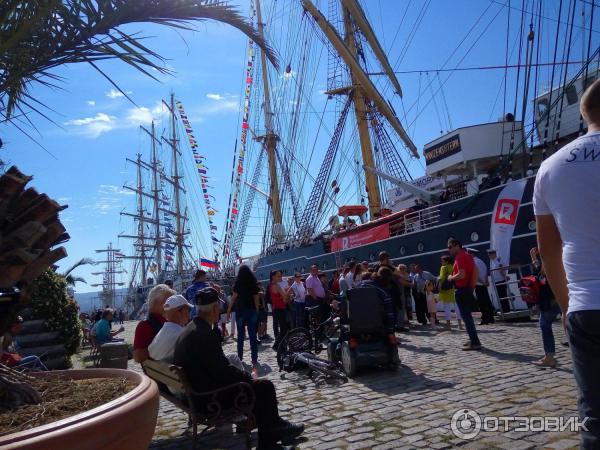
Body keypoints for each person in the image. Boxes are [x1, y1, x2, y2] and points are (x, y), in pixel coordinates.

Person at [533, 79, 600, 448]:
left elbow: (548, 250)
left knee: (594, 417)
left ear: (583, 112)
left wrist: (564, 303)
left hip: (585, 306)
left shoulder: (550, 167)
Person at [174, 287, 304, 449]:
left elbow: (217, 368)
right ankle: (269, 443)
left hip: (195, 393)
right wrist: (249, 379)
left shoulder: (191, 328)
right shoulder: (204, 334)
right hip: (208, 399)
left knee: (258, 387)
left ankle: (278, 426)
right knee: (264, 387)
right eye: (219, 307)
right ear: (214, 309)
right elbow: (224, 372)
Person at [447, 238, 481, 350]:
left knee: (466, 317)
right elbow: (476, 272)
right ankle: (473, 339)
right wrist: (471, 287)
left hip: (461, 290)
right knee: (468, 317)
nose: (449, 250)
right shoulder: (468, 256)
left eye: (450, 247)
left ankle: (475, 342)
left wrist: (451, 277)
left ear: (457, 246)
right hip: (467, 289)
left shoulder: (460, 257)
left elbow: (461, 275)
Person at [227, 265, 261, 375]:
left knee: (240, 336)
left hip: (240, 311)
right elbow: (256, 298)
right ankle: (254, 359)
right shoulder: (253, 282)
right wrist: (257, 310)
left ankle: (240, 358)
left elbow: (233, 298)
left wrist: (228, 311)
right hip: (251, 311)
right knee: (252, 336)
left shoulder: (238, 283)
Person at [133, 283, 175, 363]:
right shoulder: (145, 326)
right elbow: (137, 357)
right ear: (155, 302)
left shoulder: (165, 321)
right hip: (164, 370)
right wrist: (158, 346)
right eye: (168, 301)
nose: (171, 305)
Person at [148, 295, 192, 362]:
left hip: (159, 370)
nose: (189, 313)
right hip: (173, 371)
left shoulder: (163, 331)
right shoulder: (183, 334)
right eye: (188, 309)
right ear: (179, 311)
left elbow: (151, 353)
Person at [468, 248, 495, 325]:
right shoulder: (481, 261)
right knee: (487, 301)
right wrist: (486, 282)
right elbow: (486, 272)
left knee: (482, 303)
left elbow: (476, 275)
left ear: (471, 254)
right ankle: (491, 318)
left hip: (479, 285)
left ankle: (485, 319)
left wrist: (483, 282)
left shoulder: (473, 262)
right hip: (484, 284)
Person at [438, 255, 463, 329]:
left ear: (446, 261)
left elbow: (442, 278)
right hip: (453, 288)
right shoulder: (452, 266)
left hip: (445, 290)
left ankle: (448, 326)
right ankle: (460, 325)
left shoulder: (443, 267)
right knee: (457, 307)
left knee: (447, 308)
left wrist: (439, 286)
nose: (441, 262)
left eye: (442, 261)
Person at [269, 270, 290, 350]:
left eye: (280, 276)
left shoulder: (271, 285)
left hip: (278, 308)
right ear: (273, 277)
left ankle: (278, 345)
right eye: (278, 276)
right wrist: (290, 289)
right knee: (284, 328)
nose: (280, 277)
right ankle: (279, 345)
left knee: (283, 328)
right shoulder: (276, 285)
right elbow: (285, 297)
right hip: (279, 309)